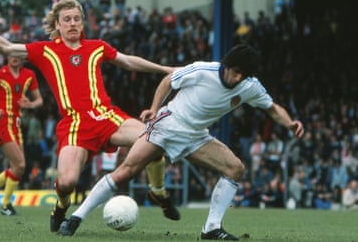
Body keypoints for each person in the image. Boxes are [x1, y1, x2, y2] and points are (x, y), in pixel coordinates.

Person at [0, 0, 179, 230]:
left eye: (76, 19)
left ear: (82, 23)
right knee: (67, 182)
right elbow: (6, 47)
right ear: (57, 25)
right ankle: (61, 206)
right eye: (67, 20)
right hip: (75, 123)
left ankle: (158, 192)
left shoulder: (96, 47)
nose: (72, 23)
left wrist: (165, 69)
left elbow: (128, 61)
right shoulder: (46, 51)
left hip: (106, 116)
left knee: (152, 137)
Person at [60, 44, 304, 240]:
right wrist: (154, 109)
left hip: (196, 136)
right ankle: (76, 217)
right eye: (236, 71)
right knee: (126, 172)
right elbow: (168, 81)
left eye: (244, 75)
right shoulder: (203, 70)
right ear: (227, 65)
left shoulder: (249, 86)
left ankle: (211, 229)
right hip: (168, 125)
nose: (238, 78)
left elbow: (272, 108)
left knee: (235, 168)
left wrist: (290, 123)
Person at [0, 54, 43, 215]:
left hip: (17, 124)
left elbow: (39, 100)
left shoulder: (29, 75)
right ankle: (5, 205)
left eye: (18, 55)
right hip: (1, 123)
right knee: (19, 165)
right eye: (11, 55)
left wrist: (30, 104)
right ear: (6, 57)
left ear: (23, 59)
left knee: (18, 168)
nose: (14, 58)